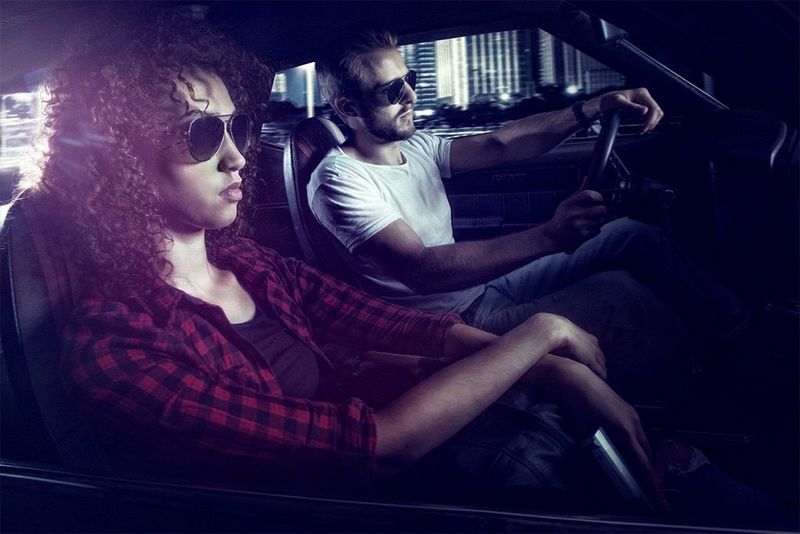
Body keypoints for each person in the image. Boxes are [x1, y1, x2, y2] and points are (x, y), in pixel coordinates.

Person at [19, 9, 667, 511]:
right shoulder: (119, 347)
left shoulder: (252, 266)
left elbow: (396, 325)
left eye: (236, 127)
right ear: (121, 163)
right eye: (201, 133)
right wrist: (540, 336)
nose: (238, 157)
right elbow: (381, 448)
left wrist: (556, 371)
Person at [309, 26, 752, 372]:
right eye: (392, 90)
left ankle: (743, 329)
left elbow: (500, 144)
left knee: (632, 236)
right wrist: (551, 235)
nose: (411, 94)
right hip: (452, 326)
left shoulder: (417, 147)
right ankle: (707, 392)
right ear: (348, 108)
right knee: (623, 296)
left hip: (481, 290)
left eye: (410, 79)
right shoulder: (339, 180)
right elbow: (423, 270)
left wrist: (592, 108)